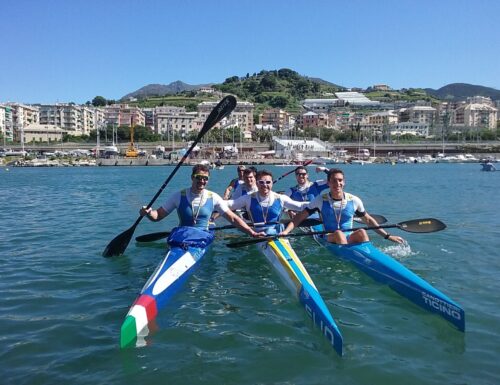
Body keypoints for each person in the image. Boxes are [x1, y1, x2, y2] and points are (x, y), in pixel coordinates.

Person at [140, 164, 264, 243]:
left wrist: (251, 232)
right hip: (182, 237)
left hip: (202, 239)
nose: (202, 181)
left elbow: (233, 218)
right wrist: (149, 212)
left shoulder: (213, 197)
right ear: (192, 178)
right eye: (199, 177)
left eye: (205, 178)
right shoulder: (178, 196)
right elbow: (158, 216)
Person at [281, 168, 405, 244]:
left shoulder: (354, 200)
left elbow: (368, 220)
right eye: (334, 180)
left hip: (348, 236)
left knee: (361, 231)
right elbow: (300, 217)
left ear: (344, 182)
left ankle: (367, 254)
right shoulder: (320, 200)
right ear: (328, 183)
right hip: (329, 237)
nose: (337, 183)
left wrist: (388, 236)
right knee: (339, 234)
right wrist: (286, 231)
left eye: (340, 180)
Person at [226, 170, 309, 235]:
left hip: (278, 233)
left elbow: (300, 206)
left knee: (271, 231)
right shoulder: (248, 198)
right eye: (261, 182)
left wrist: (317, 202)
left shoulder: (281, 198)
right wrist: (215, 200)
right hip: (257, 234)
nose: (265, 185)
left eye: (268, 182)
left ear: (272, 183)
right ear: (256, 183)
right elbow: (230, 204)